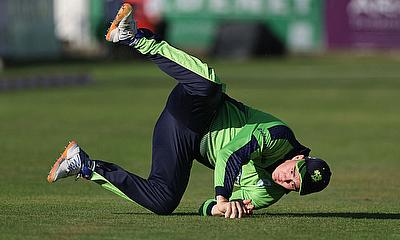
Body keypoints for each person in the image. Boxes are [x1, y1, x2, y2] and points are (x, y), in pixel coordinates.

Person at [47, 3, 331, 219]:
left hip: (180, 140)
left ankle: (83, 165)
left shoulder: (269, 193)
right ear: (297, 157)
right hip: (198, 108)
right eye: (294, 172)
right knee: (209, 84)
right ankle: (135, 37)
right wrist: (223, 196)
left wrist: (216, 209)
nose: (288, 180)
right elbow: (231, 153)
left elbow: (206, 207)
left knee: (164, 202)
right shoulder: (278, 136)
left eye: (296, 186)